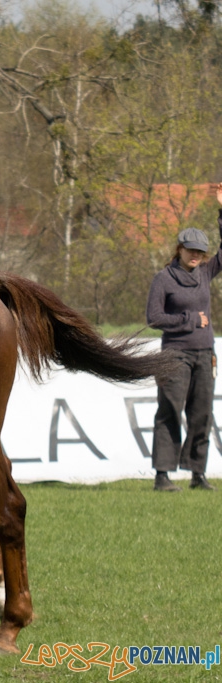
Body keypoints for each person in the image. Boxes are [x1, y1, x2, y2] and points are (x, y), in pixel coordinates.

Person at [145, 184, 222, 492]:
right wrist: (190, 320)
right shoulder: (163, 279)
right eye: (191, 250)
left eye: (201, 252)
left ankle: (197, 474)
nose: (196, 255)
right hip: (174, 355)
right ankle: (162, 475)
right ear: (179, 249)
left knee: (202, 414)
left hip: (205, 353)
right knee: (169, 411)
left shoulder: (204, 272)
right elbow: (154, 318)